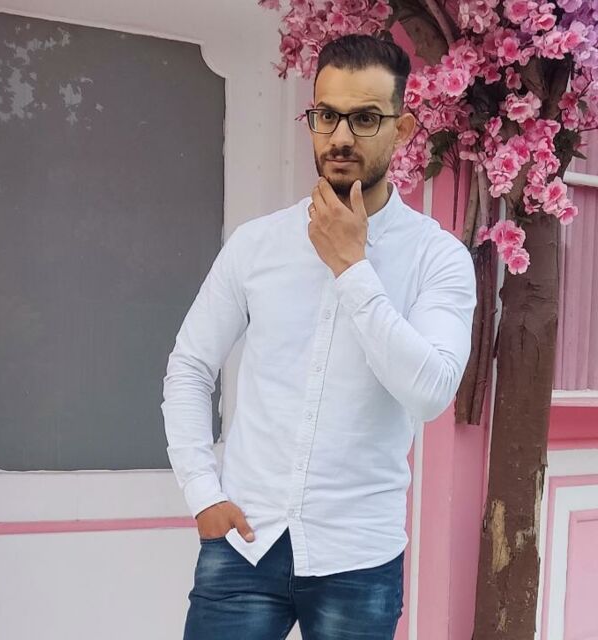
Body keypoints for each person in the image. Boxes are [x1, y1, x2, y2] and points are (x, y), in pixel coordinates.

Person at [161, 33, 477, 640]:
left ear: (403, 130)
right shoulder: (258, 244)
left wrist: (353, 269)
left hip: (358, 557)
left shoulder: (437, 257)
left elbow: (431, 393)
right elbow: (190, 367)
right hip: (245, 543)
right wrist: (202, 492)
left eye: (365, 119)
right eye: (326, 115)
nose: (340, 137)